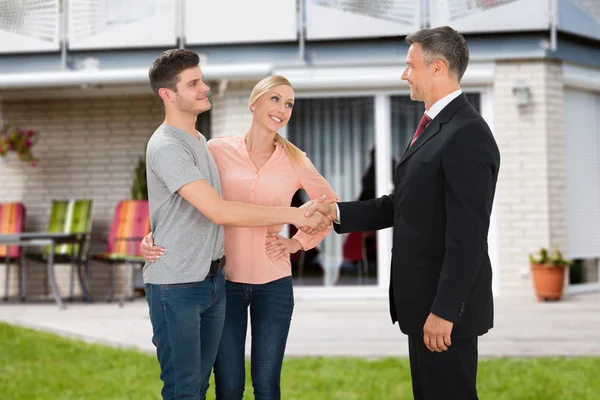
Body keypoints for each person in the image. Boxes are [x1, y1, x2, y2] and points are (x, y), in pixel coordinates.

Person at [306, 26, 500, 400]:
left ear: (438, 67)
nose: (404, 74)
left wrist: (445, 311)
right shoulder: (434, 127)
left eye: (410, 65)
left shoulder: (466, 133)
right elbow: (401, 205)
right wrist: (334, 212)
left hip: (442, 314)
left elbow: (468, 237)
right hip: (421, 306)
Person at [144, 50, 331, 400]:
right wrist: (151, 235)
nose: (282, 109)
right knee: (220, 388)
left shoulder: (290, 158)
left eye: (289, 103)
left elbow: (329, 207)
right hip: (220, 282)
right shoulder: (213, 148)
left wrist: (298, 243)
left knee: (262, 386)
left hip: (253, 282)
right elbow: (206, 206)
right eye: (275, 99)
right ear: (254, 103)